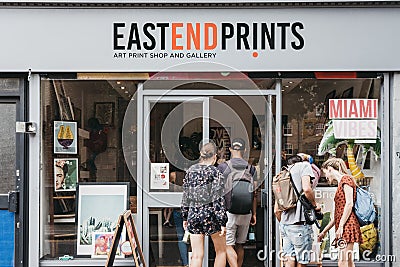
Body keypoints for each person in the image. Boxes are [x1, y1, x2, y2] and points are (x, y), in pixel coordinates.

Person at [181, 142, 227, 267]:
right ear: (215, 156)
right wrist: (222, 221)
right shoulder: (215, 172)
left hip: (194, 213)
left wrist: (185, 216)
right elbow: (218, 199)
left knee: (196, 255)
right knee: (221, 251)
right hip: (210, 214)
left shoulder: (191, 171)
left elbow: (186, 197)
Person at [217, 138, 257, 267]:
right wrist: (254, 213)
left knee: (228, 245)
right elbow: (254, 194)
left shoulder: (223, 167)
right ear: (244, 150)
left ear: (230, 149)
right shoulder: (251, 169)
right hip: (246, 212)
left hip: (229, 212)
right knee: (240, 245)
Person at [276, 154, 321, 267]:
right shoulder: (304, 166)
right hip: (299, 224)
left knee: (289, 258)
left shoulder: (283, 173)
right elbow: (307, 189)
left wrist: (284, 222)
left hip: (285, 225)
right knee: (302, 261)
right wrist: (315, 206)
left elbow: (276, 210)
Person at [318, 158, 362, 267]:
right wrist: (324, 231)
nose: (326, 177)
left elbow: (349, 203)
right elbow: (336, 216)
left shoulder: (346, 180)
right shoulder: (342, 182)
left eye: (325, 173)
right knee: (348, 261)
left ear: (330, 169)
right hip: (345, 225)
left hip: (347, 225)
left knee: (342, 261)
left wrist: (341, 226)